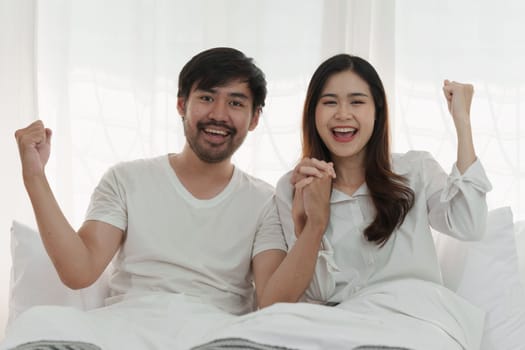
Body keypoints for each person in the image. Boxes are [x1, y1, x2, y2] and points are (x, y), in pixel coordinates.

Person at [3, 47, 287, 350]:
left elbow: (272, 302)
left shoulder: (265, 201)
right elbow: (79, 270)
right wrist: (35, 177)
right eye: (206, 97)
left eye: (235, 102)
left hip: (216, 334)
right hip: (125, 329)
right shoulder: (126, 179)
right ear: (182, 104)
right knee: (37, 324)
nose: (218, 114)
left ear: (255, 118)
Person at [265, 54, 492, 349]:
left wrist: (462, 122)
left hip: (416, 319)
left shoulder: (415, 170)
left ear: (377, 111)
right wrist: (311, 224)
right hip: (338, 329)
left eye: (357, 102)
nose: (343, 114)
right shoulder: (295, 185)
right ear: (313, 112)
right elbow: (316, 293)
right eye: (330, 102)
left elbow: (469, 224)